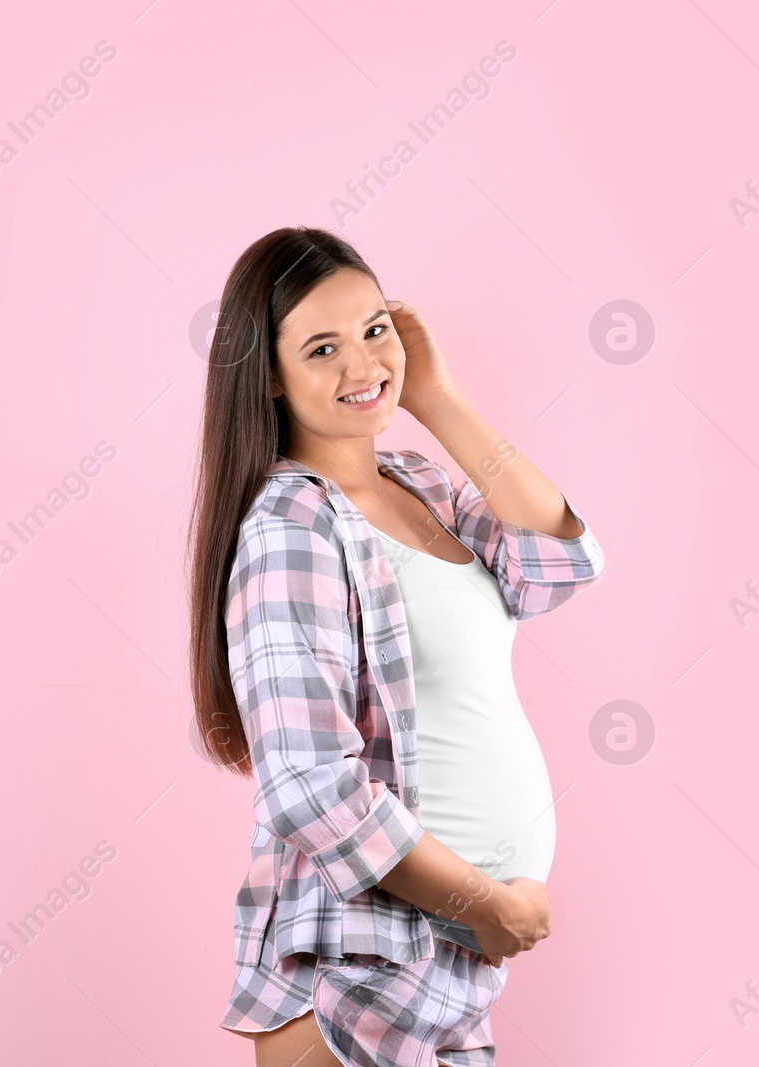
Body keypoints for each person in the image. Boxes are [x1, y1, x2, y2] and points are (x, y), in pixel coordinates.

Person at [186, 226, 606, 1067]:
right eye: (322, 347)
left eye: (375, 329)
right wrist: (483, 901)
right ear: (268, 374)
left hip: (444, 977)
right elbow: (311, 784)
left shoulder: (422, 484)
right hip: (357, 979)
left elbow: (560, 563)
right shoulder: (290, 528)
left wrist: (439, 399)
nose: (362, 366)